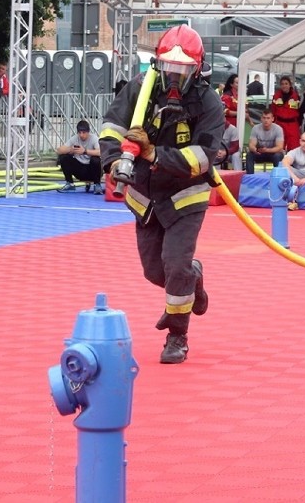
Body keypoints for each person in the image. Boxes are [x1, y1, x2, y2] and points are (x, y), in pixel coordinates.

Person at [99, 24, 224, 365]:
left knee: (175, 264)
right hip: (146, 199)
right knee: (156, 272)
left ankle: (177, 336)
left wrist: (154, 154)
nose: (173, 77)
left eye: (182, 70)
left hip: (185, 197)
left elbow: (201, 158)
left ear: (196, 69)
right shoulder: (140, 90)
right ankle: (192, 278)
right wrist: (112, 161)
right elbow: (112, 126)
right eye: (168, 68)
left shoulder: (208, 103)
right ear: (157, 64)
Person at [56, 120, 103, 194]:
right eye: (79, 133)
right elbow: (59, 150)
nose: (81, 135)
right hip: (79, 169)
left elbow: (101, 152)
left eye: (84, 133)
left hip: (91, 170)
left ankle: (97, 185)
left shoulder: (94, 138)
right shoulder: (74, 138)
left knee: (96, 159)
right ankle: (70, 184)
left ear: (88, 132)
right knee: (63, 157)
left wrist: (85, 151)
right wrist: (70, 149)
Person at [246, 109, 284, 173]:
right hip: (260, 153)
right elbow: (251, 145)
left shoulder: (278, 129)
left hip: (273, 154)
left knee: (278, 156)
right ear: (261, 119)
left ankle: (278, 176)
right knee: (249, 155)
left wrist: (267, 150)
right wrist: (255, 150)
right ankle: (250, 176)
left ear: (272, 119)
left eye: (268, 118)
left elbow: (280, 147)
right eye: (264, 118)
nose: (266, 120)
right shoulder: (255, 128)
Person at [271, 75, 301, 152]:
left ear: (290, 85)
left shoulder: (296, 96)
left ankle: (293, 164)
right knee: (279, 147)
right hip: (280, 123)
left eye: (286, 83)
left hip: (292, 124)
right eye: (282, 84)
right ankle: (280, 163)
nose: (284, 85)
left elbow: (300, 110)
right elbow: (273, 110)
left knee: (294, 147)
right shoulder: (276, 96)